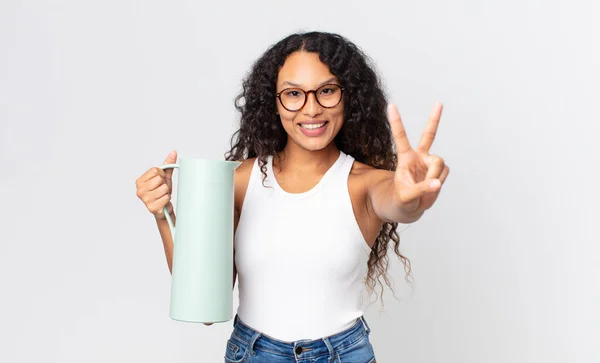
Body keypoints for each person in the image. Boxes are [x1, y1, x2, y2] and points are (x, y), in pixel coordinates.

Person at [135, 31, 449, 363]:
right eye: (293, 94)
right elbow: (205, 304)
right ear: (274, 101)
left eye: (326, 91)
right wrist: (163, 214)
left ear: (348, 97)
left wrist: (412, 195)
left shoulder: (365, 184)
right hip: (254, 354)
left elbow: (399, 202)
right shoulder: (239, 180)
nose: (311, 109)